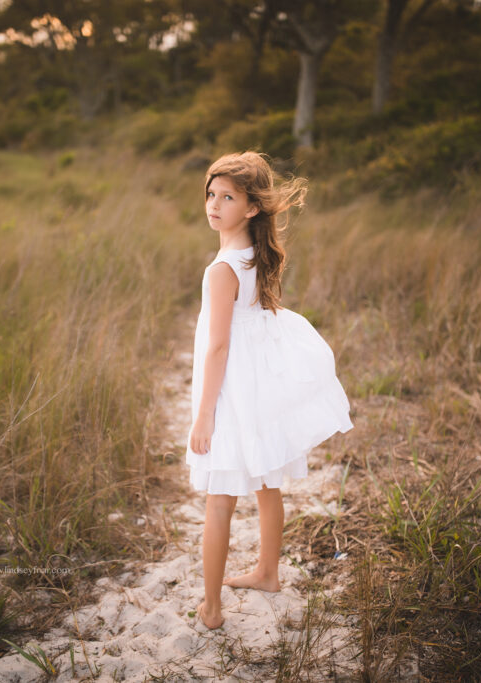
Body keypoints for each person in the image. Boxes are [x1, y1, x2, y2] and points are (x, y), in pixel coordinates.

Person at [186, 151, 354, 630]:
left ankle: (212, 608)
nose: (214, 205)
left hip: (234, 389)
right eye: (211, 194)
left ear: (252, 208)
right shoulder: (253, 256)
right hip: (255, 383)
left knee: (220, 497)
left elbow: (218, 348)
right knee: (265, 481)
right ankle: (267, 572)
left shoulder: (220, 270)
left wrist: (204, 415)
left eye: (228, 197)